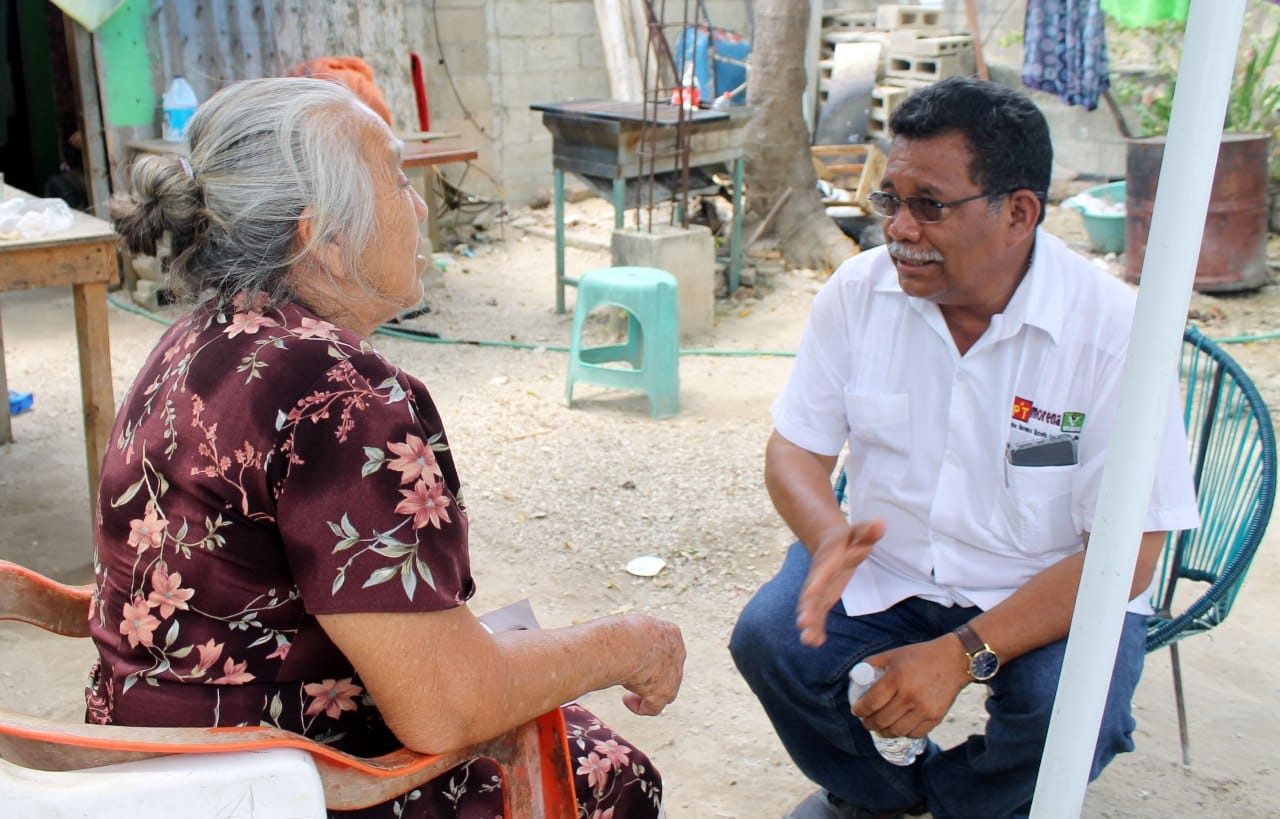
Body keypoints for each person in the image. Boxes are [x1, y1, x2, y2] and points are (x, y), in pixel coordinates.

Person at [89, 76, 685, 819]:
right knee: (616, 776)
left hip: (152, 764)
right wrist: (624, 643)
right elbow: (446, 706)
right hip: (265, 782)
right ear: (323, 238)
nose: (419, 205)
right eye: (398, 180)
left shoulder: (194, 337)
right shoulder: (340, 393)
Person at [729, 76, 1199, 819]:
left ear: (1018, 213)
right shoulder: (858, 294)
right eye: (891, 200)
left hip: (1046, 585)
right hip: (892, 565)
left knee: (1073, 715)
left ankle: (961, 803)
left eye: (930, 205)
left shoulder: (1113, 332)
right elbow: (794, 450)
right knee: (769, 642)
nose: (900, 229)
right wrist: (828, 539)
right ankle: (881, 797)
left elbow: (1130, 551)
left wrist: (960, 653)